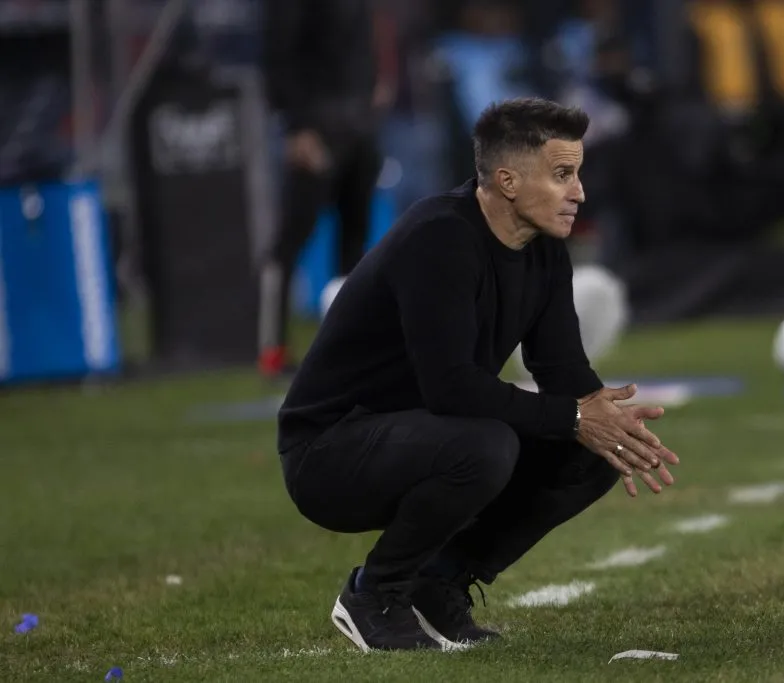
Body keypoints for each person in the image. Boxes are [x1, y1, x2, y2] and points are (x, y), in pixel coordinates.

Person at [276, 97, 680, 652]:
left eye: (578, 173)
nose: (579, 191)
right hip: (329, 451)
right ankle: (374, 593)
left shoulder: (542, 249)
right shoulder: (438, 238)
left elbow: (559, 368)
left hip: (422, 434)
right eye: (563, 174)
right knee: (485, 444)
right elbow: (451, 387)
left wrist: (609, 422)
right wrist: (574, 414)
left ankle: (437, 581)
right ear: (508, 180)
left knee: (587, 454)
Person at [258, 0, 395, 377]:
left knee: (355, 242)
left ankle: (348, 347)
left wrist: (374, 90)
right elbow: (278, 54)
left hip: (359, 125)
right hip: (317, 126)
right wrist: (297, 126)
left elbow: (361, 45)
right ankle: (271, 348)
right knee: (290, 240)